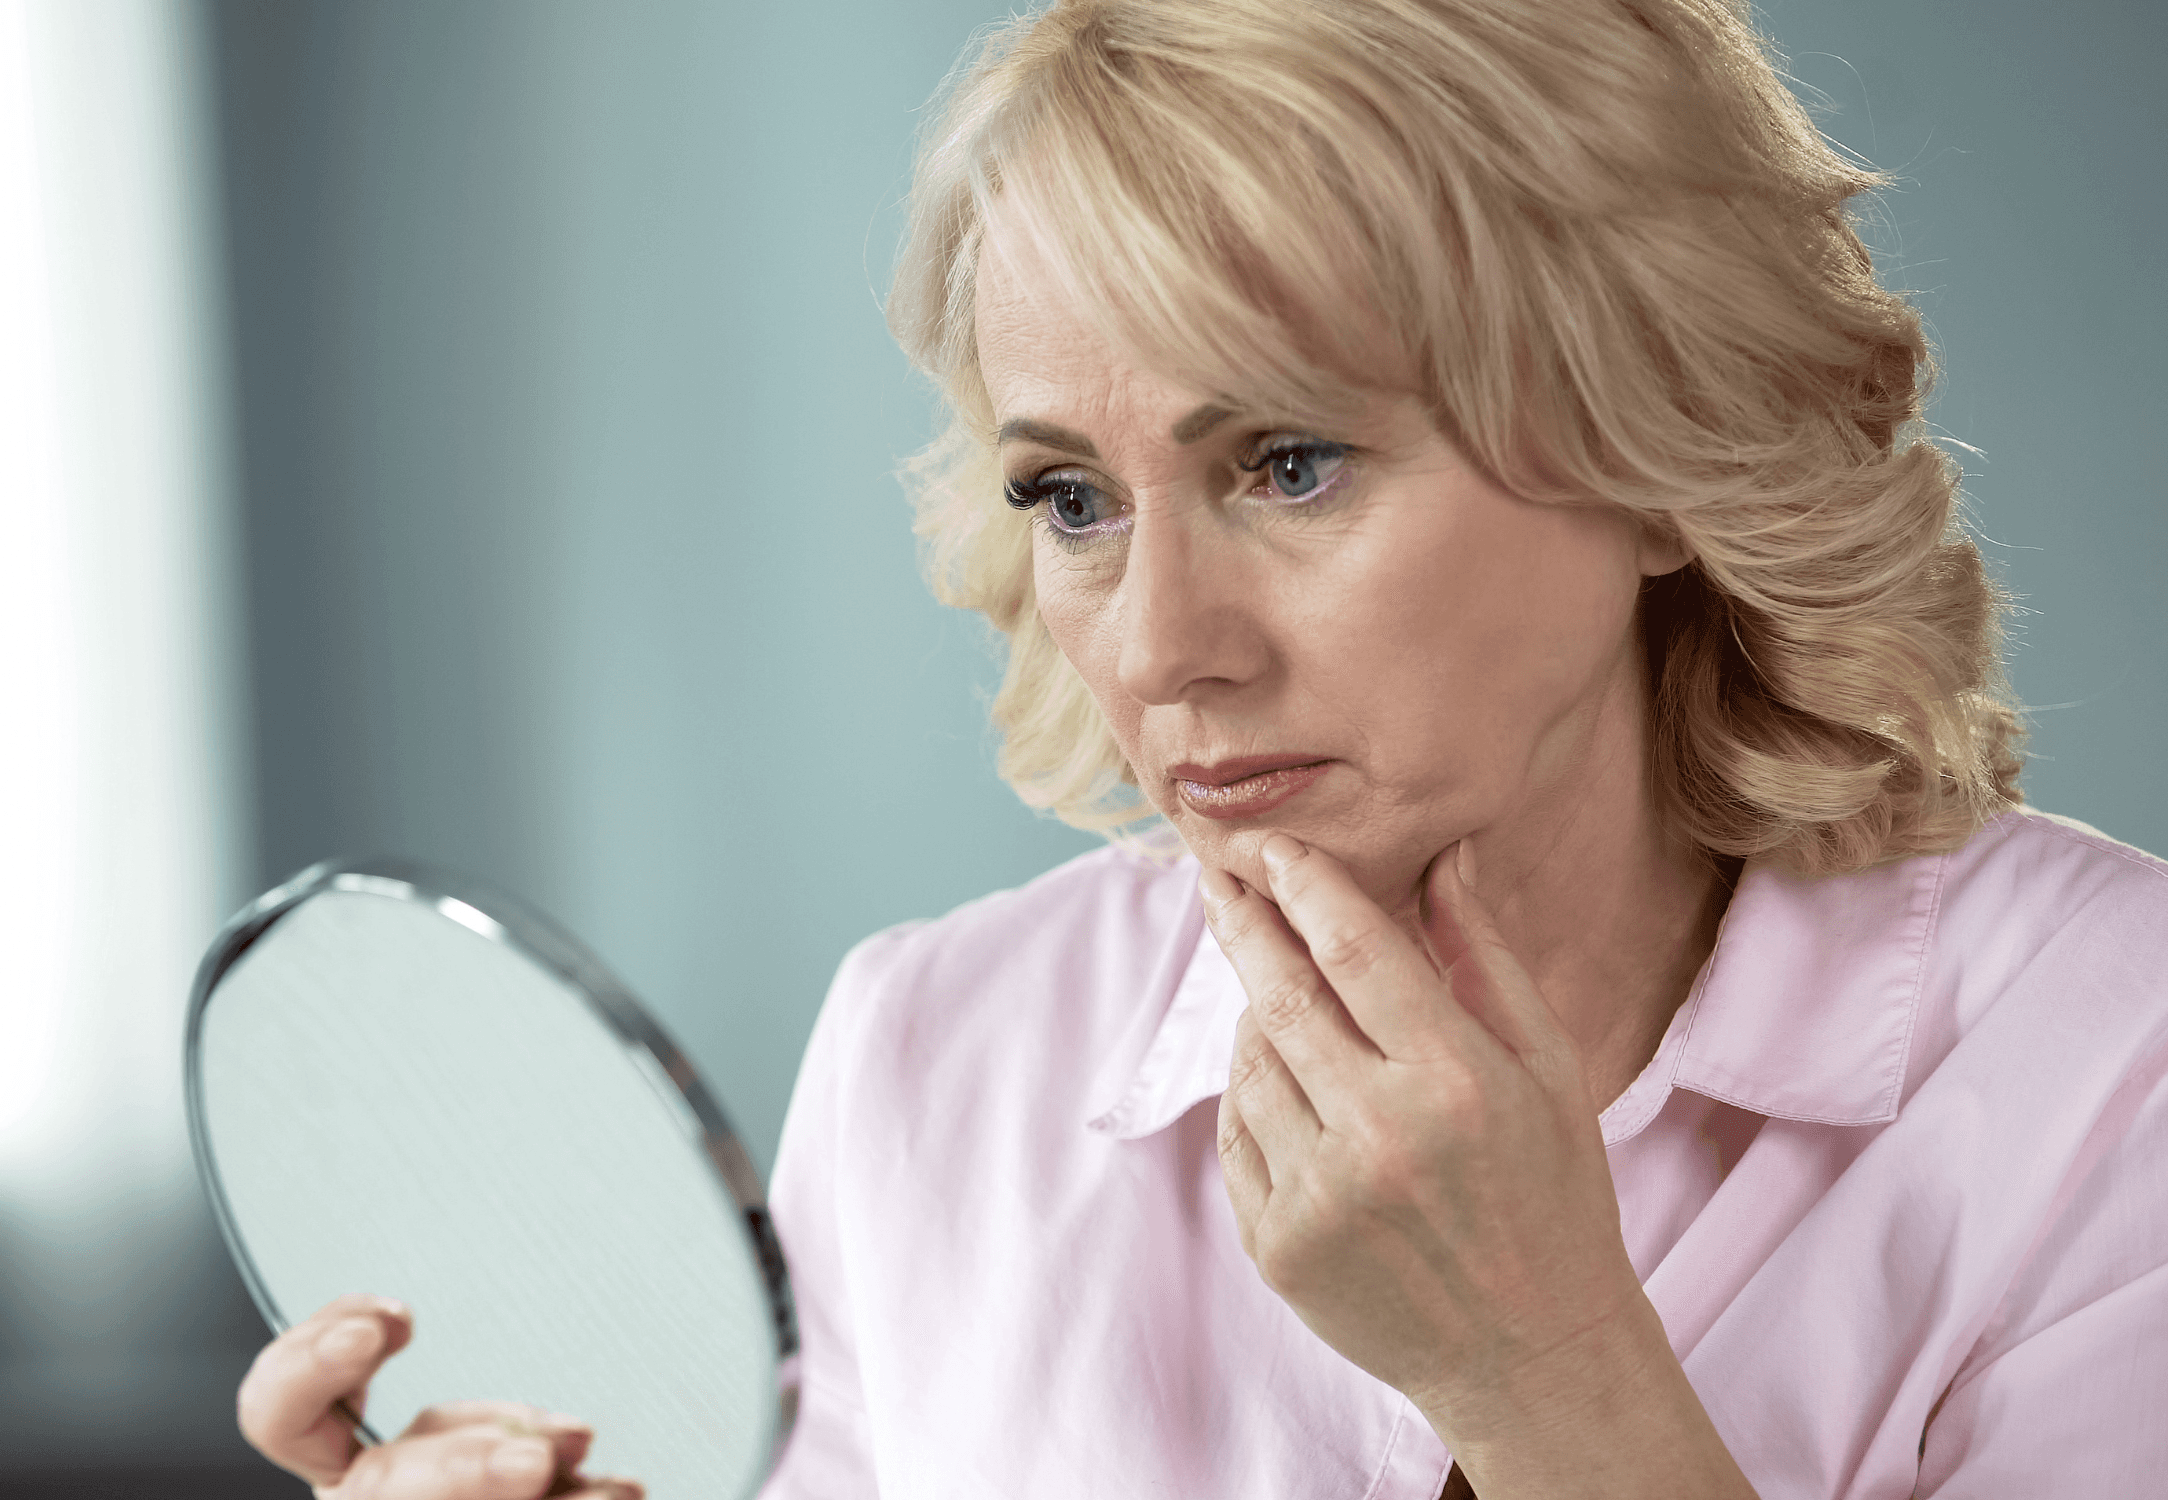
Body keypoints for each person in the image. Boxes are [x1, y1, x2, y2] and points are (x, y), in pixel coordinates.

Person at [236, 0, 2168, 1495]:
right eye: (1071, 498)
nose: (1160, 648)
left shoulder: (2106, 1068)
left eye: (1292, 464)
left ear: (1664, 451)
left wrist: (1545, 1368)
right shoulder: (933, 1059)